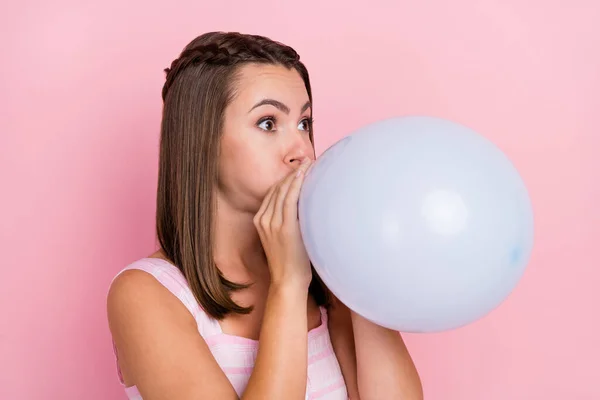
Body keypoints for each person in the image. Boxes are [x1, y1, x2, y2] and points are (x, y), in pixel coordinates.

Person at [107, 31, 423, 400]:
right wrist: (288, 284)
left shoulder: (328, 272)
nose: (301, 150)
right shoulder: (146, 294)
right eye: (268, 123)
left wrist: (355, 264)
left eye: (304, 123)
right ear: (202, 140)